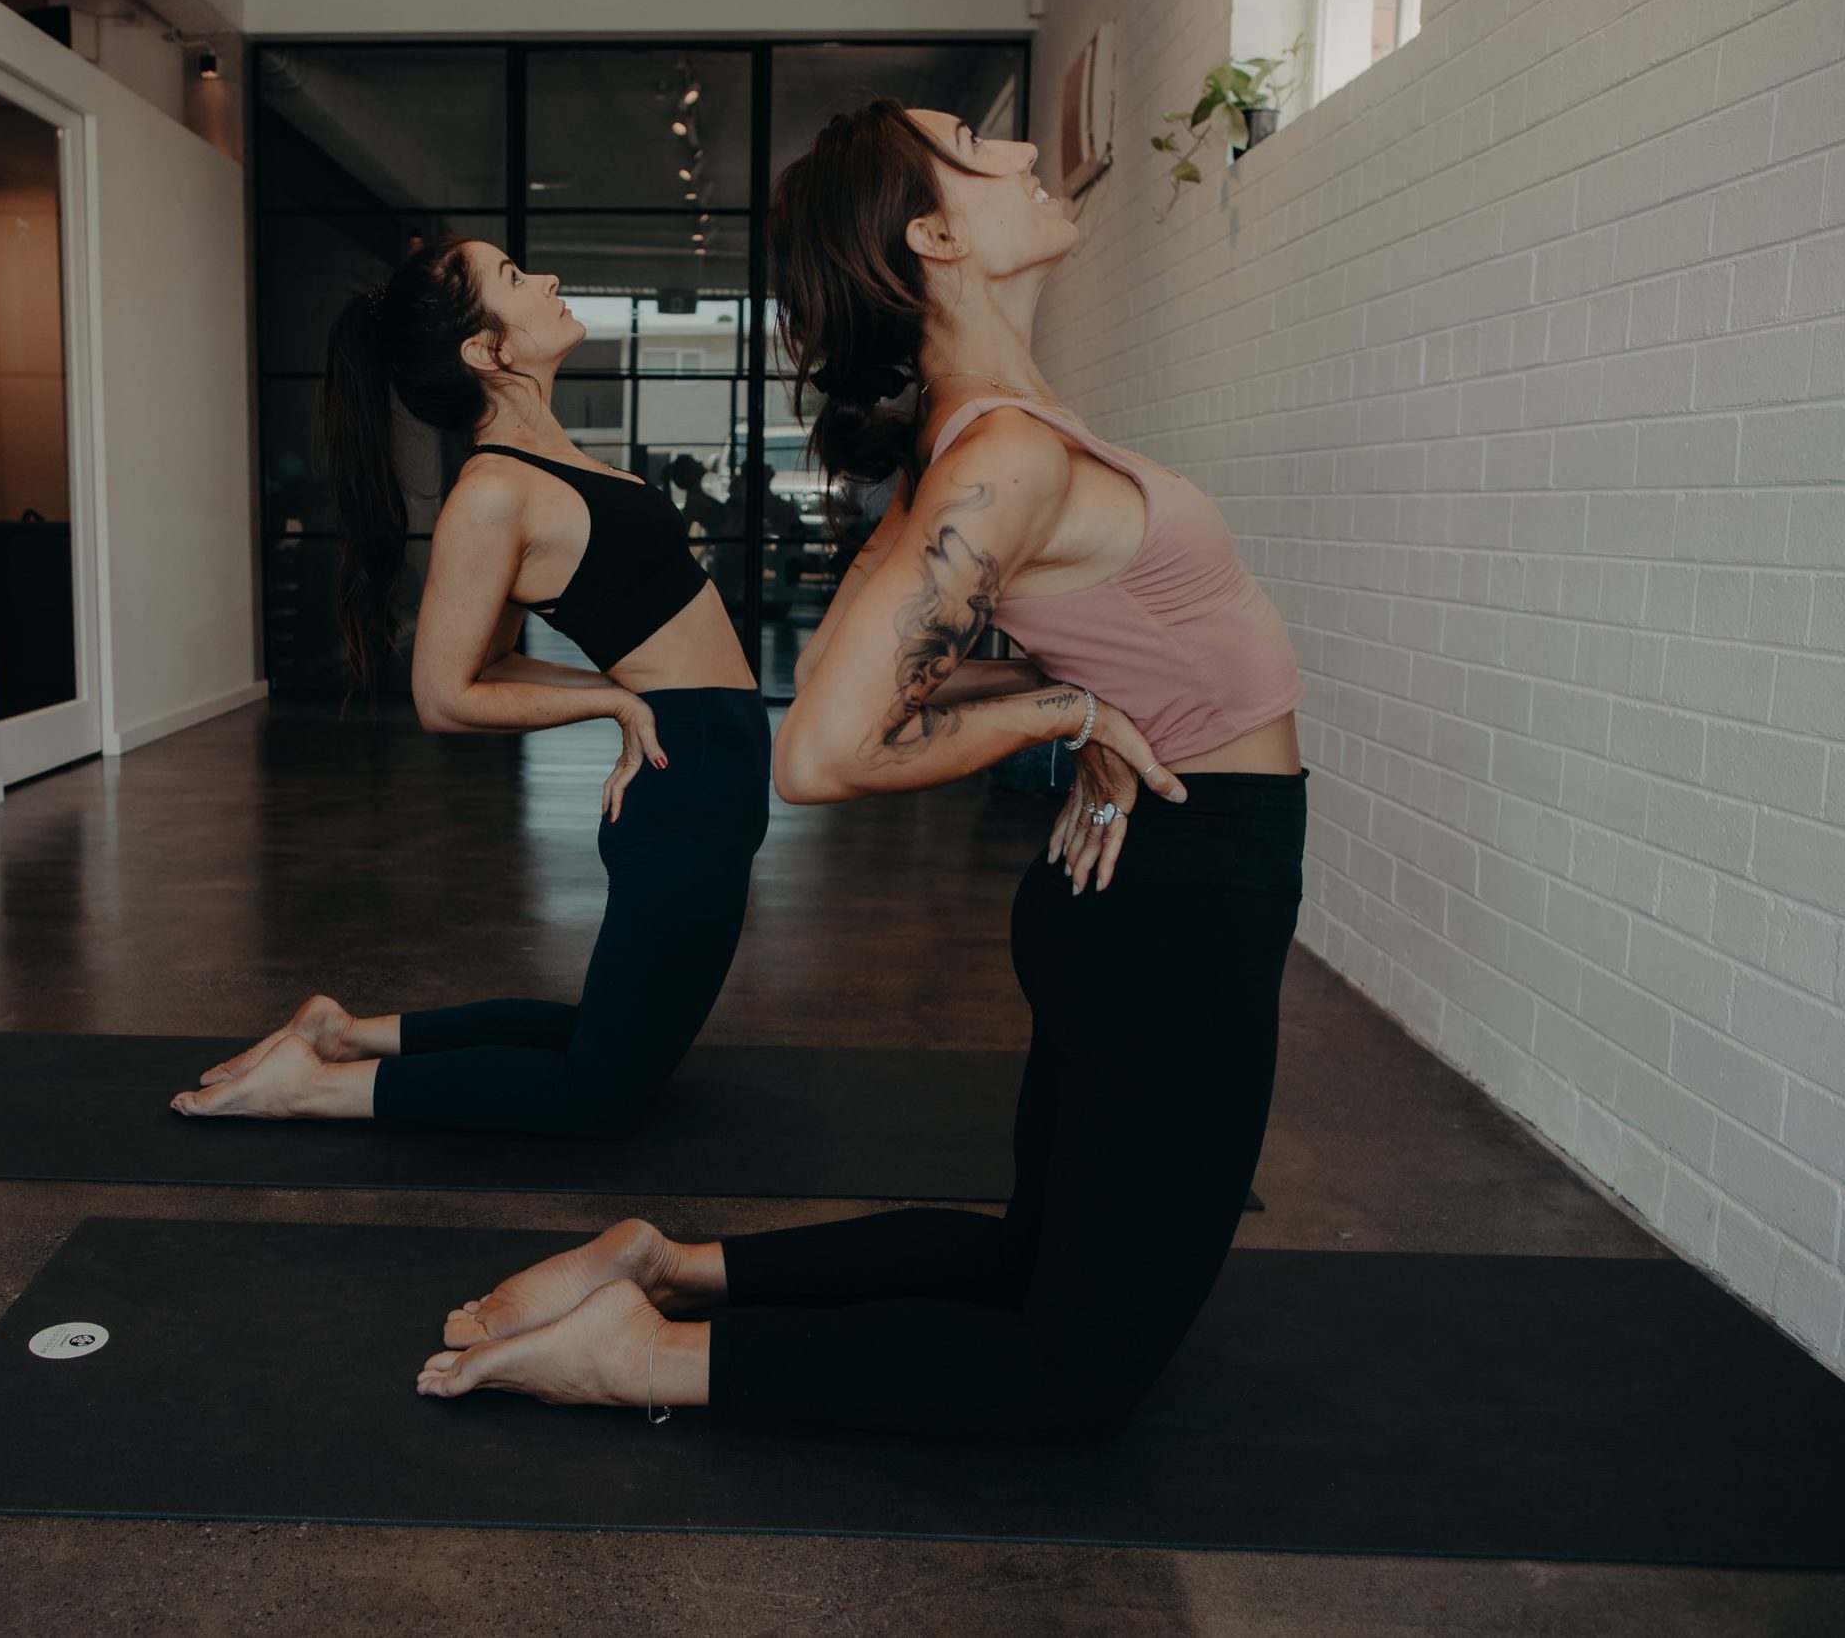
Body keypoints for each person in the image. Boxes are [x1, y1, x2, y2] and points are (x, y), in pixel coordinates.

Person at [416, 100, 1308, 1440]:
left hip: (1161, 888)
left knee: (1031, 1261)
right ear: (936, 229)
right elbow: (825, 746)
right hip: (1178, 901)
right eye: (976, 142)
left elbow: (911, 670)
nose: (1021, 153)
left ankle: (668, 1270)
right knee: (1072, 1380)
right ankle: (644, 1355)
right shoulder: (998, 452)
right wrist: (1064, 706)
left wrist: (1076, 699)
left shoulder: (987, 432)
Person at [173, 235, 769, 1136]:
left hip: (706, 764)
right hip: (683, 778)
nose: (550, 281)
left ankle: (343, 1031)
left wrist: (620, 695)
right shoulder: (492, 492)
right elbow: (446, 693)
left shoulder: (562, 461)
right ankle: (310, 1086)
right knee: (598, 1095)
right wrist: (611, 698)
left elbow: (498, 662)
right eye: (517, 279)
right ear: (485, 352)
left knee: (601, 1037)